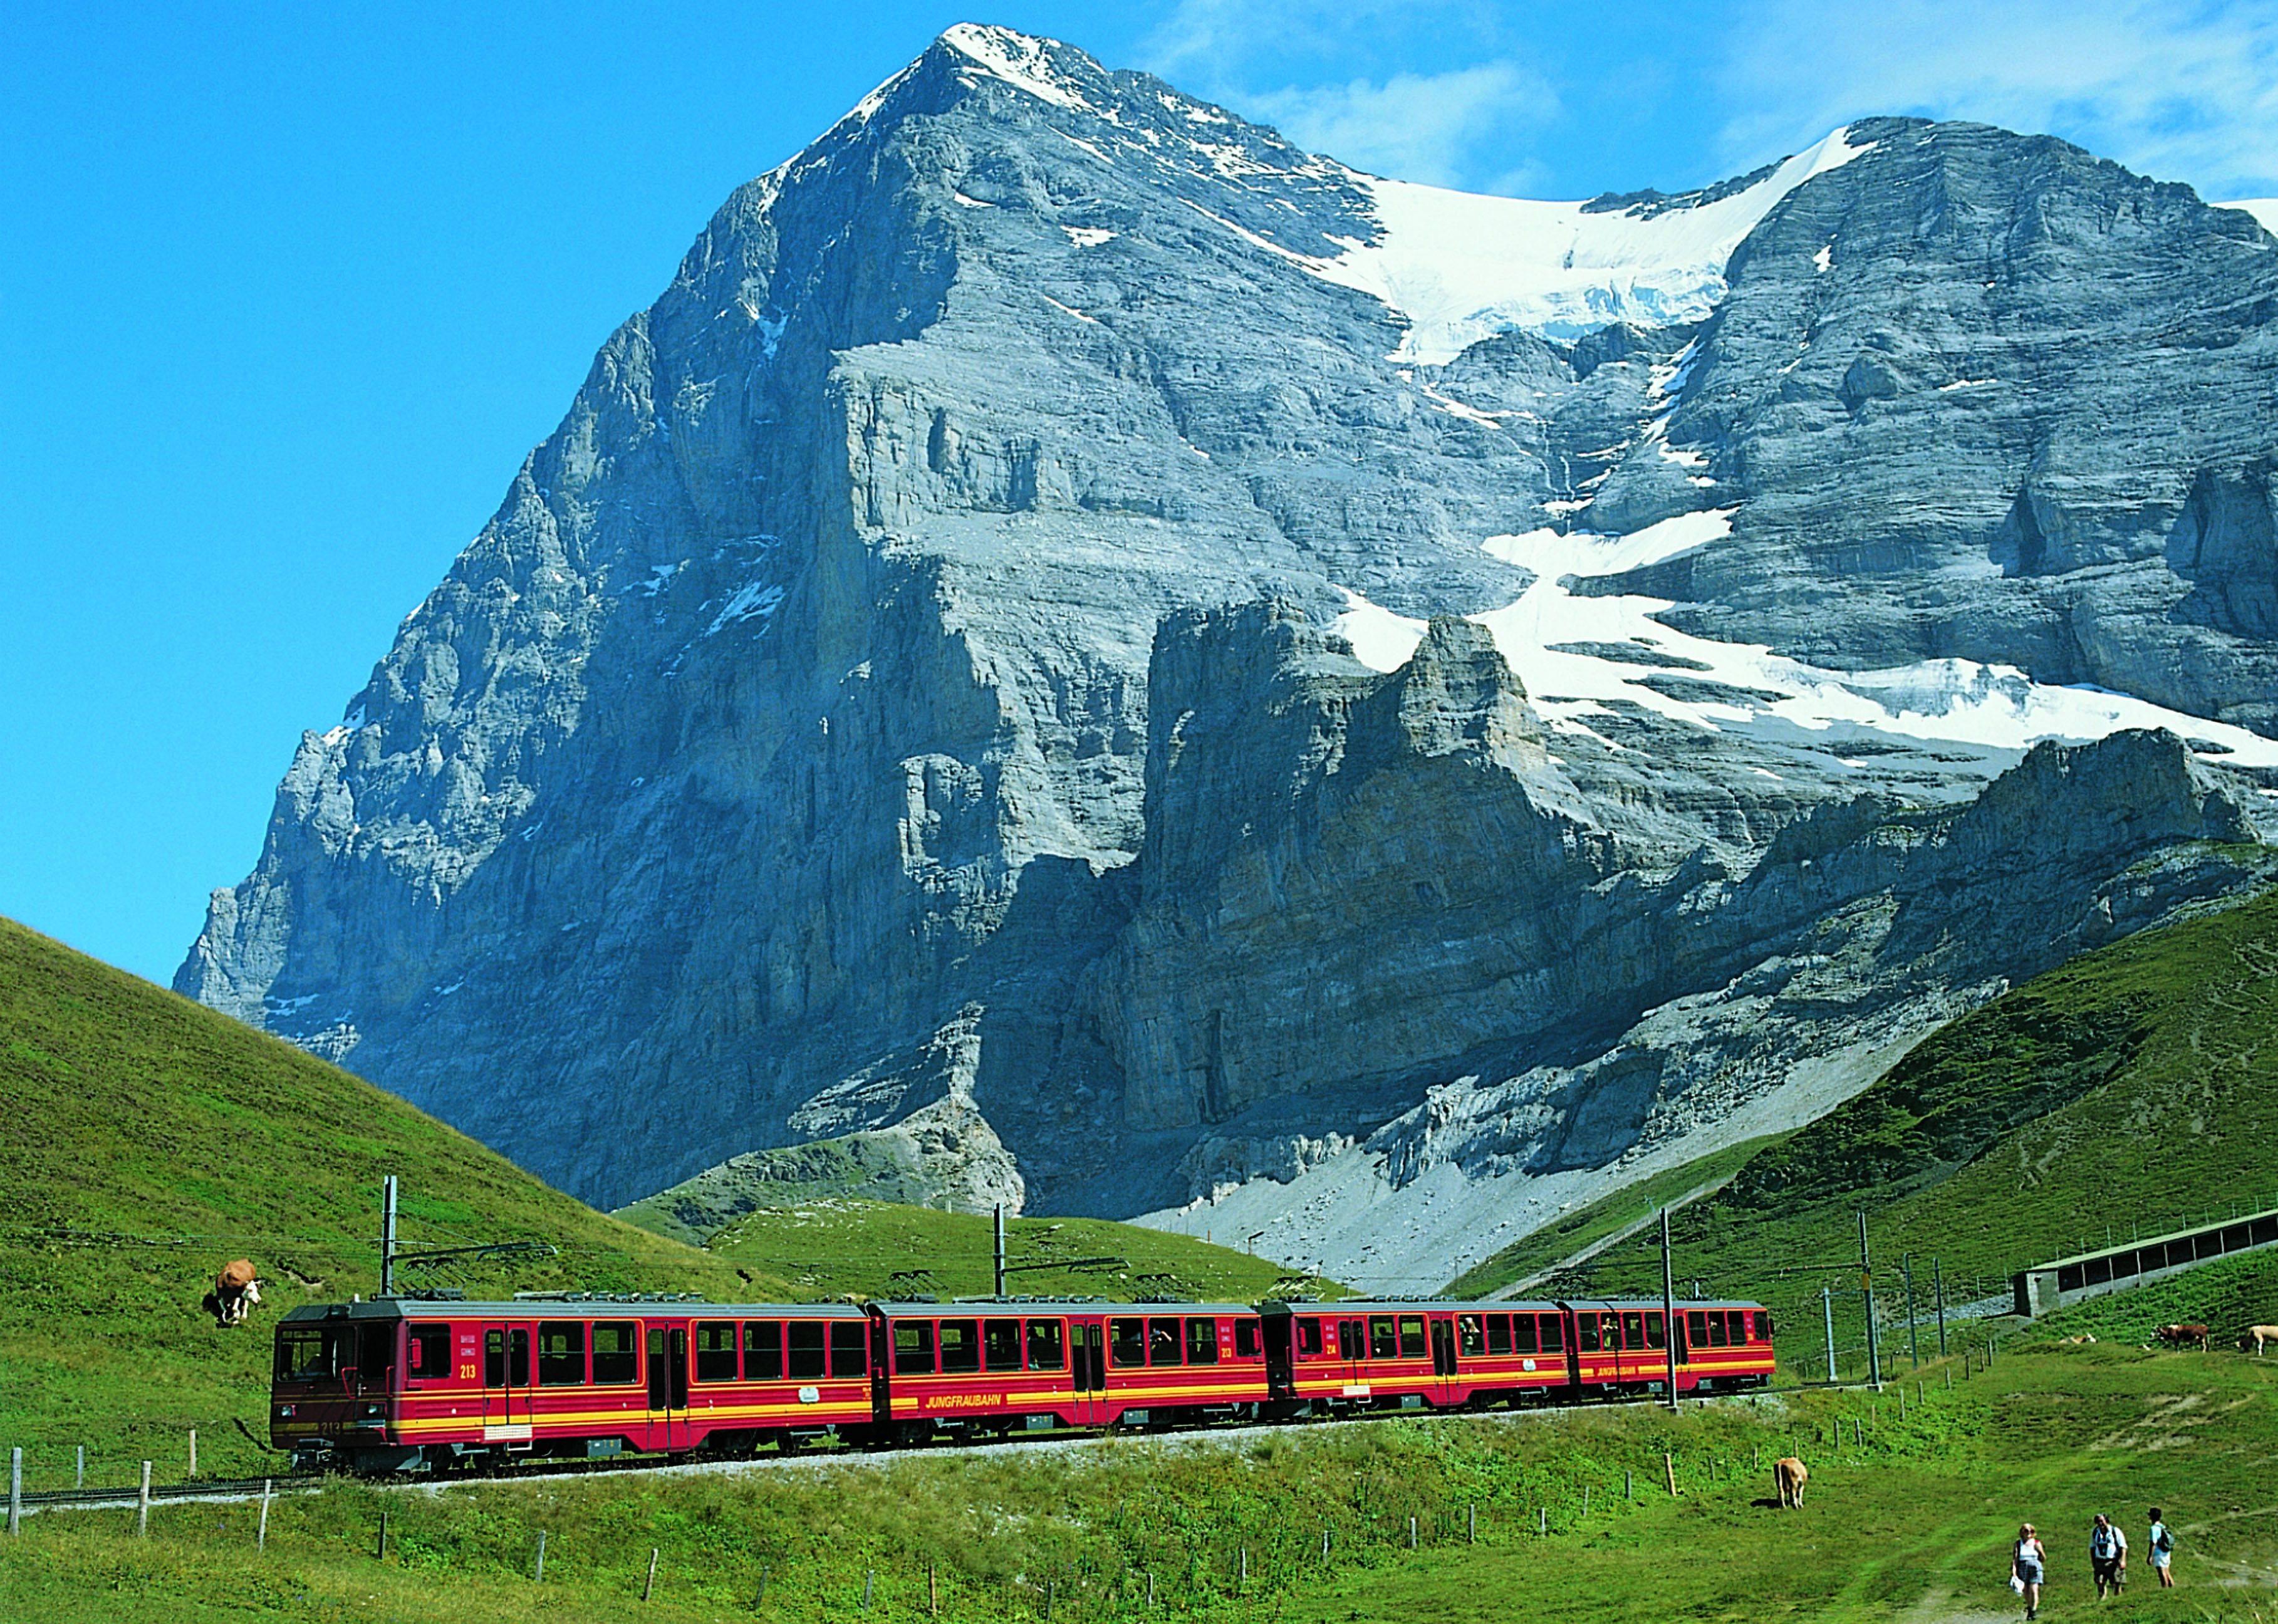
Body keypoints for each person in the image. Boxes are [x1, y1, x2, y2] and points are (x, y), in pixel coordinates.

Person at [2014, 1522, 2047, 1619]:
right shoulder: (2018, 1544)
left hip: (2035, 1566)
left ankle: (2034, 1610)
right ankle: (2030, 1607)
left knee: (2034, 1588)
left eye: (2031, 1531)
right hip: (2023, 1566)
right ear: (2022, 1533)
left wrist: (2039, 1551)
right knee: (2025, 1589)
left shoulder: (2037, 1543)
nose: (2029, 1533)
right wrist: (2014, 1571)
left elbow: (2043, 1558)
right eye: (2026, 1531)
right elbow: (2015, 1559)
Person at [2091, 1512, 2128, 1597]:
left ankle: (2117, 1599)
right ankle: (2102, 1599)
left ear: (2106, 1521)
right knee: (2100, 1582)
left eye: (2102, 1521)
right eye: (2098, 1522)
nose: (2100, 1524)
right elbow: (2092, 1547)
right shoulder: (2095, 1532)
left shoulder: (2115, 1531)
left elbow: (2123, 1547)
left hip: (2113, 1561)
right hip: (2100, 1561)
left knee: (2116, 1582)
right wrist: (2094, 1562)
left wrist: (2123, 1560)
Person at [2146, 1507, 2175, 1587]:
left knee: (2162, 1572)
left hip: (2159, 1552)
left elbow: (2153, 1543)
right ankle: (2172, 1588)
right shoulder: (2163, 1526)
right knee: (2167, 1572)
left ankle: (2165, 1588)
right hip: (2166, 1551)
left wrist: (2150, 1556)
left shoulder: (2153, 1528)